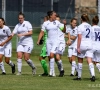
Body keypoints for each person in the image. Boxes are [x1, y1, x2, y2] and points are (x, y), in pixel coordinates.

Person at [37, 11, 70, 77]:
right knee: (50, 57)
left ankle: (52, 73)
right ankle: (52, 73)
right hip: (48, 42)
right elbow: (41, 32)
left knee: (52, 54)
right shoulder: (45, 23)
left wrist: (64, 25)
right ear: (50, 16)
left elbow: (64, 31)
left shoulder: (57, 22)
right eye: (54, 15)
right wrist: (38, 40)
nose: (55, 16)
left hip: (56, 41)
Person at [74, 14, 95, 82]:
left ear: (81, 19)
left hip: (83, 44)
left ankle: (79, 77)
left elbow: (79, 37)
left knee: (80, 60)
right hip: (89, 44)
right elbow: (92, 36)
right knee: (90, 60)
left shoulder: (80, 26)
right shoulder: (90, 26)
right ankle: (93, 75)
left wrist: (78, 47)